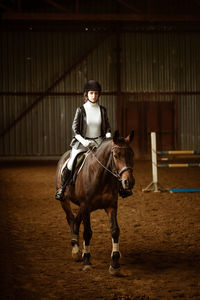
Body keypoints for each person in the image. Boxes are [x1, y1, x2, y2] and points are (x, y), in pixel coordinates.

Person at [55, 80, 112, 201]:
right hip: (82, 143)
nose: (94, 95)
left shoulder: (102, 110)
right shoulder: (81, 110)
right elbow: (75, 129)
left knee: (111, 161)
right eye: (91, 93)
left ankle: (120, 189)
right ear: (87, 94)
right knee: (71, 163)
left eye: (96, 93)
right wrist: (85, 142)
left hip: (99, 143)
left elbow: (107, 127)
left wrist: (108, 136)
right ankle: (62, 188)